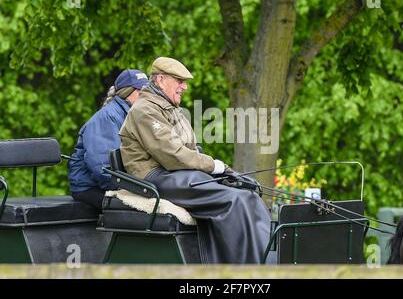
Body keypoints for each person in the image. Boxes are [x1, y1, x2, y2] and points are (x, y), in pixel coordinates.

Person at [119, 57, 271, 263]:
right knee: (233, 200)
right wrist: (215, 166)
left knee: (249, 195)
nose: (185, 86)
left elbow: (191, 149)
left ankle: (263, 261)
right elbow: (173, 155)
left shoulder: (172, 109)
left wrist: (223, 172)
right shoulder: (144, 110)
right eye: (179, 80)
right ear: (161, 80)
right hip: (156, 175)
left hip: (176, 173)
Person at [68, 69, 149, 211]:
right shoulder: (107, 118)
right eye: (141, 92)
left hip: (114, 182)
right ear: (127, 93)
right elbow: (102, 168)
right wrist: (129, 189)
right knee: (144, 211)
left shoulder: (132, 115)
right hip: (90, 187)